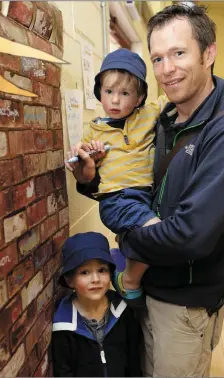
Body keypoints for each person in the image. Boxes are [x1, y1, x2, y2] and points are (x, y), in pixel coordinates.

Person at [71, 4, 224, 377]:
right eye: (157, 58)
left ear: (209, 52)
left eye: (179, 53)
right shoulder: (165, 118)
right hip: (149, 290)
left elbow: (191, 236)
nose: (167, 69)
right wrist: (89, 178)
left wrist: (127, 243)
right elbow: (132, 180)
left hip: (185, 305)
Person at [65, 49, 166, 307]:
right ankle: (129, 281)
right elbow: (80, 163)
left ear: (140, 96)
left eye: (125, 93)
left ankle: (127, 267)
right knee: (157, 233)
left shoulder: (149, 115)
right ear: (100, 92)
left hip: (144, 197)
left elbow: (171, 99)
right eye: (109, 92)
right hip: (116, 201)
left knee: (145, 237)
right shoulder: (94, 130)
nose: (115, 101)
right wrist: (85, 157)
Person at [51, 231, 142, 377]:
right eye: (84, 272)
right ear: (70, 280)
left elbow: (134, 362)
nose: (95, 279)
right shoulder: (64, 326)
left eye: (101, 270)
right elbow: (63, 371)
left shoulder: (123, 312)